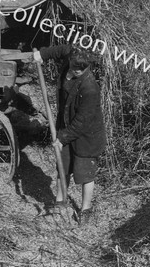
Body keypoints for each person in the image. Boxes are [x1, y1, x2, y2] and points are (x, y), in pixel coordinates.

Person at [33, 44, 106, 225]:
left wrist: (61, 138)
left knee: (84, 173)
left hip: (86, 136)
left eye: (80, 70)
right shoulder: (72, 54)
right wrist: (41, 54)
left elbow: (82, 122)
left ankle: (85, 209)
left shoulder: (90, 88)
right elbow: (58, 50)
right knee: (62, 165)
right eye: (73, 67)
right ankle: (60, 201)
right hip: (66, 125)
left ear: (87, 67)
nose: (75, 71)